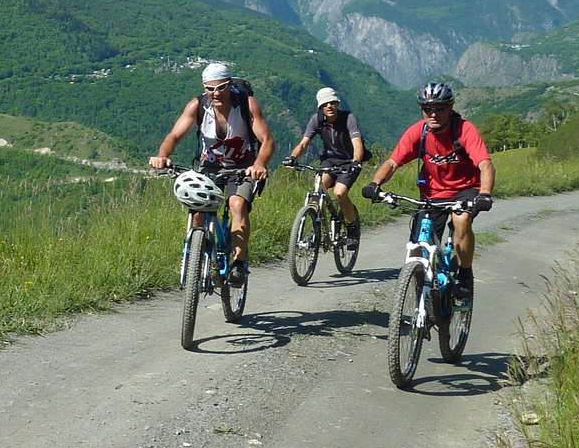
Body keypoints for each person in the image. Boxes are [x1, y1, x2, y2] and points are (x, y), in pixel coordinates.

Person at [361, 82, 494, 302]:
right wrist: (375, 184)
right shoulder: (418, 132)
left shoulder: (464, 130)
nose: (433, 114)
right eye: (427, 109)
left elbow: (485, 164)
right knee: (418, 247)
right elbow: (393, 162)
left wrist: (485, 193)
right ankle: (422, 303)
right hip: (431, 195)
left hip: (465, 189)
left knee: (461, 221)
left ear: (450, 108)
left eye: (439, 108)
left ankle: (464, 274)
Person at [148, 62, 274, 288]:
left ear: (230, 84)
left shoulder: (246, 104)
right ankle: (197, 255)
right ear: (204, 88)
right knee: (198, 211)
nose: (215, 93)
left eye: (222, 87)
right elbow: (175, 135)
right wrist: (163, 155)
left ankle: (239, 262)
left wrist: (260, 164)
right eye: (210, 88)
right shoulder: (197, 106)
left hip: (242, 167)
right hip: (209, 166)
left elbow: (267, 140)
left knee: (237, 205)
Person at [282, 87, 366, 248]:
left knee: (340, 193)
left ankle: (352, 228)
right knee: (317, 188)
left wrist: (356, 162)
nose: (329, 106)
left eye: (333, 103)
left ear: (337, 104)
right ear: (320, 107)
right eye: (325, 104)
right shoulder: (316, 120)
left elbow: (357, 144)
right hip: (329, 161)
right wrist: (292, 158)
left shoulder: (348, 118)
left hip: (349, 161)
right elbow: (304, 143)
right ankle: (316, 225)